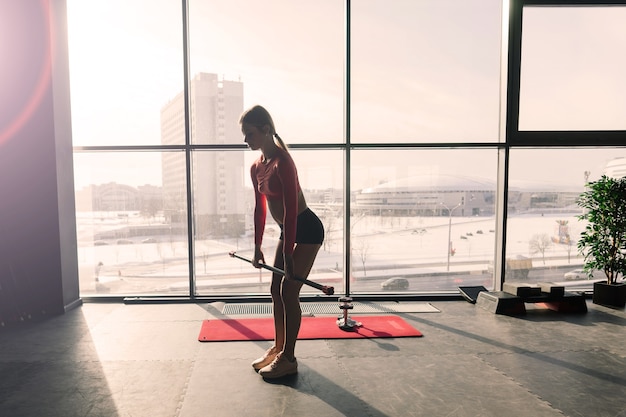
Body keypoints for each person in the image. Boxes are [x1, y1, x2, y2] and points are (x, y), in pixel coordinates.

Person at [240, 105, 324, 378]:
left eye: (249, 133)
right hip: (287, 231)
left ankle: (289, 358)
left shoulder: (284, 162)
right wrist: (256, 248)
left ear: (265, 130)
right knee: (275, 289)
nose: (245, 140)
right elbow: (259, 210)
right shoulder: (256, 167)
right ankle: (278, 348)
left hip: (307, 229)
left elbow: (290, 211)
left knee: (289, 292)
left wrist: (288, 256)